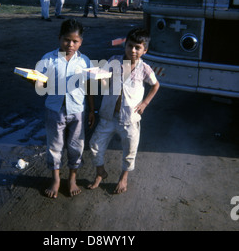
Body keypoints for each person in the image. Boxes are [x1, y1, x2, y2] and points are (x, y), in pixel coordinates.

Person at [88, 27, 160, 194]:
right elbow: (102, 75)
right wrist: (96, 74)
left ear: (145, 50)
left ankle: (123, 178)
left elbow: (156, 85)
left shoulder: (145, 69)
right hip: (108, 116)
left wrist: (145, 103)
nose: (132, 50)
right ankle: (100, 173)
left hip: (130, 119)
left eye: (137, 47)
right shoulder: (114, 61)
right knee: (94, 145)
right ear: (124, 46)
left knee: (130, 150)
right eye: (129, 46)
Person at [35, 19, 95, 198]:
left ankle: (72, 178)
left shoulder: (84, 61)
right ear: (59, 38)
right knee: (55, 146)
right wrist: (34, 82)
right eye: (66, 40)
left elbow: (89, 88)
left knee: (76, 145)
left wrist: (91, 110)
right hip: (54, 110)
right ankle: (56, 179)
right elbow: (40, 85)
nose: (70, 44)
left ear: (81, 42)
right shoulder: (48, 59)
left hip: (77, 110)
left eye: (75, 41)